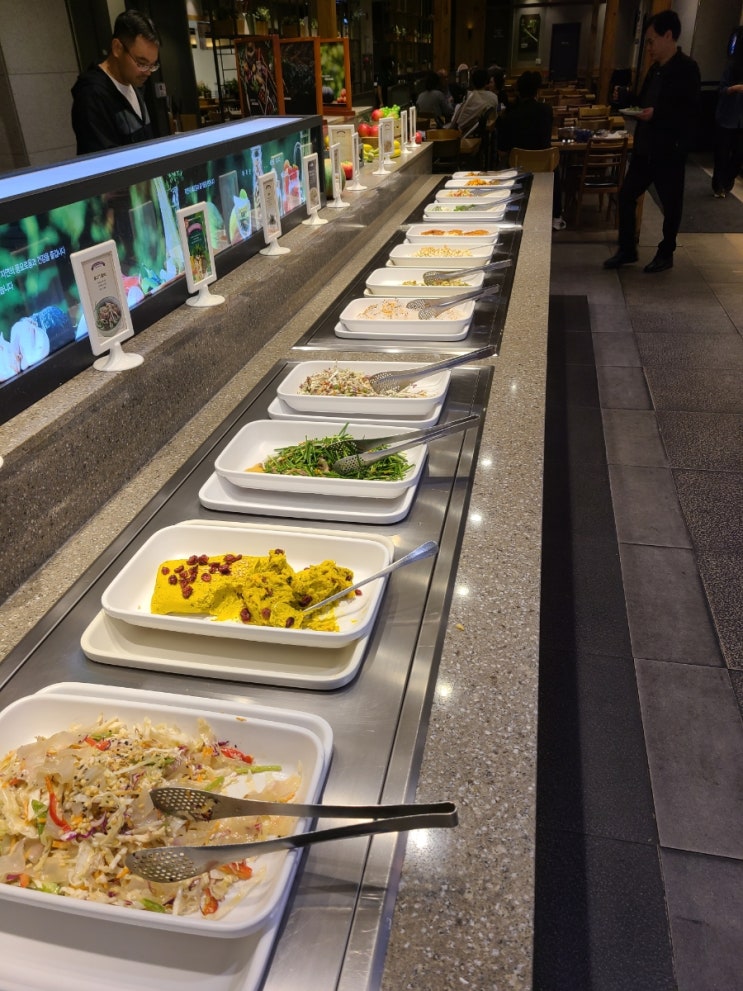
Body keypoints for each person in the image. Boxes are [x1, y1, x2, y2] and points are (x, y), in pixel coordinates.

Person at [604, 10, 700, 273]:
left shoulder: (687, 69)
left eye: (651, 40)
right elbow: (643, 102)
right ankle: (627, 249)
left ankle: (666, 253)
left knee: (671, 206)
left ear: (668, 36)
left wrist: (657, 114)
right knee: (626, 196)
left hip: (669, 150)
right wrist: (626, 99)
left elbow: (690, 111)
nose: (648, 47)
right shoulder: (655, 69)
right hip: (645, 148)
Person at [71, 10, 160, 155]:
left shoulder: (133, 82)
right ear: (117, 48)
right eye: (142, 63)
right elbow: (103, 162)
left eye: (152, 65)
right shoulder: (92, 95)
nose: (148, 72)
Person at [498, 70, 565, 229]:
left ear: (518, 91)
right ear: (537, 91)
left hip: (518, 169)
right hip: (545, 168)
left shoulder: (509, 115)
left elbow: (502, 151)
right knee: (556, 167)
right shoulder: (546, 110)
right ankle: (556, 216)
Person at [712, 27, 743, 198]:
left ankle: (726, 181)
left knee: (738, 154)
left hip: (740, 120)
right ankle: (718, 186)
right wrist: (735, 88)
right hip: (727, 117)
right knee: (722, 154)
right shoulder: (732, 67)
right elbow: (722, 90)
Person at [450, 67, 499, 138]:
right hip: (485, 135)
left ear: (472, 83)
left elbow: (458, 121)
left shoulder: (469, 96)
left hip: (465, 134)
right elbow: (494, 119)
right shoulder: (493, 97)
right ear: (486, 82)